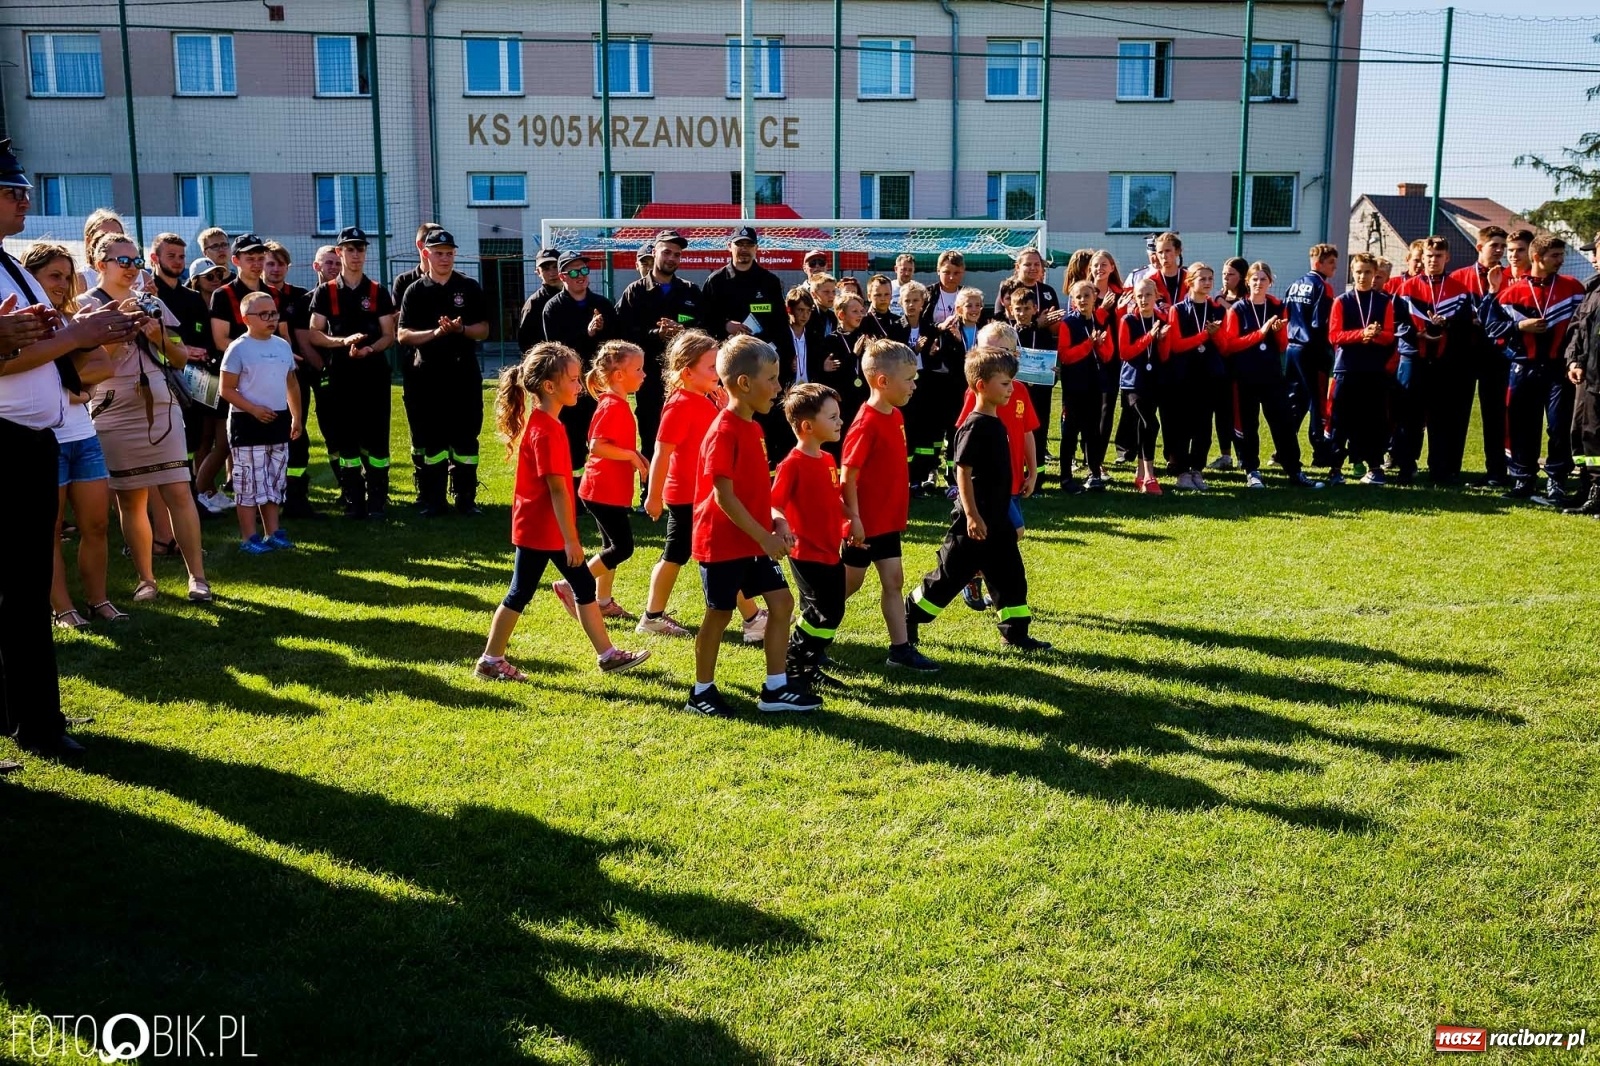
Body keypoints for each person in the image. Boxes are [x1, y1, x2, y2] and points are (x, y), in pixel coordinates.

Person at [0, 138, 140, 760]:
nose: (25, 200)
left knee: (25, 593)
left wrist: (88, 337)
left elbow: (45, 345)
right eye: (13, 191)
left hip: (33, 443)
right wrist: (77, 334)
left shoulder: (10, 266)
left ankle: (36, 722)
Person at [474, 342, 650, 681]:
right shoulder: (545, 431)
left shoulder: (550, 425)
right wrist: (571, 540)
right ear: (549, 386)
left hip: (543, 526)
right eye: (572, 379)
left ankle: (607, 654)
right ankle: (491, 660)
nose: (579, 384)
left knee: (582, 586)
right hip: (543, 528)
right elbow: (556, 490)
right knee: (521, 592)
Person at [684, 335, 820, 718]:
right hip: (723, 542)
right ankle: (701, 692)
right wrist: (763, 536)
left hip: (754, 541)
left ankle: (775, 687)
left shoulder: (754, 429)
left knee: (782, 602)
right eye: (773, 379)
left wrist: (776, 521)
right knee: (719, 614)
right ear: (744, 384)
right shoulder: (724, 430)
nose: (779, 388)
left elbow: (757, 492)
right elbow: (724, 496)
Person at [81, 231, 214, 602]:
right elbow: (84, 364)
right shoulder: (87, 305)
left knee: (178, 491)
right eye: (123, 261)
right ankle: (146, 579)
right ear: (99, 265)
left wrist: (157, 336)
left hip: (160, 403)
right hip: (113, 408)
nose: (131, 269)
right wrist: (116, 330)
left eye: (136, 261)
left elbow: (180, 358)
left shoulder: (150, 301)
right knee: (131, 499)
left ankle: (197, 577)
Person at [904, 347, 1051, 653]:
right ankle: (908, 616)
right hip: (972, 526)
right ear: (982, 386)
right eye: (1005, 383)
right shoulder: (974, 425)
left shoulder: (996, 421)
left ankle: (1015, 633)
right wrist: (971, 515)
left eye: (1012, 382)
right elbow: (962, 472)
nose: (1011, 389)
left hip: (998, 522)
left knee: (1011, 578)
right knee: (945, 580)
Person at [638, 329, 759, 640]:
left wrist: (721, 408)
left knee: (712, 553)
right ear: (687, 372)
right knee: (687, 555)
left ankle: (752, 616)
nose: (717, 372)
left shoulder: (703, 400)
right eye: (711, 366)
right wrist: (653, 496)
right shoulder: (679, 404)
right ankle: (653, 616)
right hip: (686, 497)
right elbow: (662, 451)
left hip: (705, 495)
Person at [25, 244, 119, 629]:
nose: (63, 285)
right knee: (49, 529)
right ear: (31, 277)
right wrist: (72, 384)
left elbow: (103, 364)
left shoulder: (69, 324)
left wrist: (71, 386)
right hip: (44, 440)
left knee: (97, 524)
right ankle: (62, 608)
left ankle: (99, 600)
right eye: (54, 276)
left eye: (67, 276)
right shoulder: (22, 325)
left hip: (84, 436)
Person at [840, 339, 936, 672]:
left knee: (893, 581)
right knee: (848, 584)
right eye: (909, 379)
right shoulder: (865, 422)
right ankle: (809, 632)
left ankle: (900, 649)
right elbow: (846, 477)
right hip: (864, 523)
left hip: (887, 522)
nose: (914, 385)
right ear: (883, 381)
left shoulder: (895, 415)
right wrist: (853, 519)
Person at [1480, 233, 1586, 502]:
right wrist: (1519, 326)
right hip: (1523, 367)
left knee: (1559, 426)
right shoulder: (1511, 292)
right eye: (1555, 256)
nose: (1560, 261)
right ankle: (1523, 480)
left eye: (1561, 255)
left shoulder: (1573, 288)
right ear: (1537, 257)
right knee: (1521, 426)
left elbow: (1581, 329)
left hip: (1557, 369)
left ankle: (1557, 480)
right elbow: (1492, 329)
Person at [397, 229, 491, 515]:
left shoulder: (469, 286)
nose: (444, 258)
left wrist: (461, 329)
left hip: (463, 374)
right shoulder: (415, 290)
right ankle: (434, 500)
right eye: (438, 253)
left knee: (465, 438)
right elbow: (402, 334)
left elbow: (484, 330)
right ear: (426, 254)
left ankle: (466, 498)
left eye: (449, 253)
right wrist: (435, 333)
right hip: (428, 376)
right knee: (433, 440)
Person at [306, 226, 397, 519]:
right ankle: (353, 500)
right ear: (339, 252)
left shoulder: (377, 291)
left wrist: (372, 349)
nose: (355, 255)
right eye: (349, 249)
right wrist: (342, 342)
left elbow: (388, 334)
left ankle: (378, 501)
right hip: (341, 374)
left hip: (373, 374)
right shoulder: (326, 291)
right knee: (346, 440)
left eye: (360, 249)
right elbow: (314, 333)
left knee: (376, 439)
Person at [560, 340, 648, 620]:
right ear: (619, 375)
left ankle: (603, 601)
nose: (644, 374)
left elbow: (614, 443)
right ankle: (571, 584)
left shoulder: (618, 403)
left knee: (610, 548)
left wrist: (635, 455)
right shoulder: (611, 405)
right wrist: (632, 457)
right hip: (601, 490)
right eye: (639, 369)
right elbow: (596, 445)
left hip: (608, 490)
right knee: (622, 548)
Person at [772, 383, 850, 693]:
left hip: (832, 549)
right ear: (807, 426)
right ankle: (795, 655)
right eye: (832, 417)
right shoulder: (792, 464)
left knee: (830, 610)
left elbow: (833, 499)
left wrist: (852, 519)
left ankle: (810, 660)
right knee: (826, 611)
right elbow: (774, 503)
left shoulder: (828, 460)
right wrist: (781, 525)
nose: (839, 422)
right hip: (806, 552)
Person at [1223, 261, 1320, 490]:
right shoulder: (1238, 309)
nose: (1258, 283)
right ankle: (1251, 470)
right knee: (1248, 424)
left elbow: (1283, 345)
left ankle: (1294, 471)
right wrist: (1261, 333)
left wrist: (1275, 334)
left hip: (1272, 375)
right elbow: (1229, 345)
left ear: (1270, 282)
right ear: (1247, 282)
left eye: (1263, 279)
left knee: (1283, 422)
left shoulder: (1277, 306)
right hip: (1245, 375)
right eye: (1254, 279)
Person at [219, 290, 303, 552]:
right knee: (248, 483)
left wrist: (296, 417)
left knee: (274, 481)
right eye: (263, 314)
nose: (271, 318)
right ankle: (249, 538)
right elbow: (226, 389)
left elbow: (291, 382)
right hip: (247, 424)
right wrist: (253, 409)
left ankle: (273, 532)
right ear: (246, 318)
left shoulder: (282, 346)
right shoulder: (238, 348)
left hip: (278, 422)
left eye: (273, 313)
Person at [616, 229, 703, 463]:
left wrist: (683, 332)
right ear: (654, 253)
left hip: (685, 378)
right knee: (651, 435)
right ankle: (649, 494)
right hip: (648, 378)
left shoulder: (691, 291)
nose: (672, 258)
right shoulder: (634, 292)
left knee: (686, 438)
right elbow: (624, 334)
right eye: (667, 252)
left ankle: (682, 494)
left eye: (677, 254)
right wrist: (657, 334)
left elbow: (704, 331)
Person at [1395, 235, 1474, 485]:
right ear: (1422, 257)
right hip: (1412, 359)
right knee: (1409, 416)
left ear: (1447, 258)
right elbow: (1396, 322)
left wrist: (1447, 324)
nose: (1433, 260)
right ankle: (1406, 468)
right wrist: (1415, 333)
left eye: (1438, 256)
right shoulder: (1406, 288)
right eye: (1429, 256)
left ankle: (1439, 470)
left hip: (1444, 363)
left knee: (1441, 418)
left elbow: (1465, 327)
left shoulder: (1460, 291)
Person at [542, 251, 620, 476]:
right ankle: (574, 495)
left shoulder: (602, 304)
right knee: (573, 441)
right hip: (570, 385)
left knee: (603, 438)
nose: (581, 276)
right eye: (574, 271)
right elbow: (556, 348)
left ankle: (600, 494)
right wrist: (586, 333)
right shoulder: (553, 308)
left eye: (584, 270)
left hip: (600, 384)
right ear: (562, 276)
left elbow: (615, 342)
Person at [147, 233, 215, 489]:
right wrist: (184, 349)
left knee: (195, 435)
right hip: (161, 376)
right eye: (171, 256)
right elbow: (151, 337)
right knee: (168, 435)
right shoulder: (148, 294)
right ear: (155, 258)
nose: (177, 262)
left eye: (181, 257)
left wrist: (200, 351)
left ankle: (193, 492)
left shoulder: (193, 297)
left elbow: (206, 336)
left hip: (196, 375)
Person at [1325, 252, 1399, 486]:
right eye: (1358, 272)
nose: (1363, 276)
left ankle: (1375, 468)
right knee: (1340, 420)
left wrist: (1375, 335)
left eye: (1367, 272)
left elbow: (1389, 337)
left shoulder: (1384, 301)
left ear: (1375, 274)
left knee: (1374, 420)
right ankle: (1335, 469)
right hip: (1347, 369)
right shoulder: (1342, 301)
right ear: (1352, 273)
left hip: (1374, 371)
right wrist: (1361, 334)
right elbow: (1334, 336)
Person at [264, 240, 324, 518]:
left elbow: (306, 336)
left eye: (281, 264)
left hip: (295, 378)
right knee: (265, 436)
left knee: (296, 433)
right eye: (270, 263)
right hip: (260, 380)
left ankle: (297, 496)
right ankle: (265, 498)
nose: (276, 269)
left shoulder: (300, 297)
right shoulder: (252, 296)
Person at [1449, 225, 1512, 487]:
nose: (1499, 251)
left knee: (1495, 413)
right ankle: (1450, 469)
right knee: (1457, 412)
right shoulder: (1458, 277)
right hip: (1464, 352)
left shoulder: (1509, 277)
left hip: (1495, 354)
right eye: (1494, 245)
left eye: (1502, 246)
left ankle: (1496, 471)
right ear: (1479, 247)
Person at [1162, 263, 1228, 490]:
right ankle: (1181, 471)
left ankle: (1197, 470)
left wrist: (1216, 336)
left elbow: (1224, 345)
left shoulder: (1218, 310)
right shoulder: (1178, 310)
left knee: (1203, 427)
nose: (1208, 282)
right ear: (1190, 282)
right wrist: (1204, 336)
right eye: (1202, 278)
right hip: (1183, 376)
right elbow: (1177, 346)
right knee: (1181, 425)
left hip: (1208, 376)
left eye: (1210, 278)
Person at [393, 221, 444, 499]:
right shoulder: (405, 282)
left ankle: (446, 485)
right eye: (432, 242)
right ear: (421, 247)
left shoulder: (454, 281)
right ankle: (424, 484)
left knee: (447, 430)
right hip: (416, 369)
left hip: (448, 368)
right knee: (421, 430)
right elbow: (400, 324)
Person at [186, 256, 236, 514]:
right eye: (210, 276)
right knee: (206, 436)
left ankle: (205, 489)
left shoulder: (223, 301)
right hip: (201, 378)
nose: (216, 280)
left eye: (220, 276)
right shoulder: (190, 305)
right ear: (196, 280)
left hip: (220, 374)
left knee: (221, 438)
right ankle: (202, 490)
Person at [1283, 243, 1340, 468]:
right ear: (1318, 263)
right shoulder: (1323, 288)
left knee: (1294, 400)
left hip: (1292, 348)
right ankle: (1320, 453)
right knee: (1317, 402)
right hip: (1312, 350)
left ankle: (1283, 448)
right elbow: (1321, 323)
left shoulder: (1294, 285)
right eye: (1331, 263)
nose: (1335, 268)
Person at [1057, 280, 1115, 493]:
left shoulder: (1100, 321)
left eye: (1087, 296)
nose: (1083, 300)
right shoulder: (1068, 323)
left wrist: (1099, 345)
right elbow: (1065, 356)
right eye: (1078, 297)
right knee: (1070, 431)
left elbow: (1108, 355)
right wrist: (1088, 344)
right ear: (1072, 300)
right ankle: (1065, 477)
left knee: (1092, 431)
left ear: (1095, 298)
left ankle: (1095, 474)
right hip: (1074, 386)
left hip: (1095, 384)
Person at [1118, 277, 1169, 494]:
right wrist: (1150, 337)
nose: (1144, 299)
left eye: (1148, 294)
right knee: (1151, 424)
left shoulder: (1163, 319)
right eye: (1139, 295)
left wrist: (1163, 339)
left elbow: (1165, 356)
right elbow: (1125, 352)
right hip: (1133, 382)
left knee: (1144, 427)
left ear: (1156, 296)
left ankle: (1140, 476)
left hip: (1155, 381)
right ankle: (1150, 475)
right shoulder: (1128, 320)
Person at [1563, 229, 1600, 514]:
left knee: (1596, 434)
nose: (1594, 259)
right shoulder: (1592, 288)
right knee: (1581, 432)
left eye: (1596, 252)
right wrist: (1573, 361)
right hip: (1585, 376)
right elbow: (1577, 329)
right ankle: (1587, 485)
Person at [702, 226, 787, 344]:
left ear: (756, 248)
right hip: (725, 353)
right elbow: (703, 320)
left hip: (760, 353)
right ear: (729, 246)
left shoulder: (770, 282)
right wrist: (725, 325)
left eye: (749, 244)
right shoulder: (715, 281)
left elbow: (781, 322)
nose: (744, 249)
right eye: (739, 244)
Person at [1207, 256, 1250, 472]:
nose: (1226, 277)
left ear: (1242, 277)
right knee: (1221, 411)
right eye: (1224, 273)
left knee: (1240, 411)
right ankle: (1225, 456)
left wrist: (1224, 304)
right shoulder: (1217, 299)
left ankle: (1244, 455)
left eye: (1231, 274)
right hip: (1219, 363)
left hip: (1240, 364)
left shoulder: (1247, 301)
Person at [1005, 286, 1054, 466]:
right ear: (1011, 309)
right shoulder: (1008, 334)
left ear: (1035, 309)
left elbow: (1052, 363)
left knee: (1039, 431)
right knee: (1014, 431)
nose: (1022, 313)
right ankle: (1014, 472)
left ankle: (1037, 478)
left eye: (1027, 308)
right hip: (1014, 392)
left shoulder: (1044, 334)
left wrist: (1054, 373)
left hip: (1040, 392)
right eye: (1018, 308)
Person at [814, 290, 869, 439]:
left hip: (864, 398)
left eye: (861, 311)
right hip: (843, 401)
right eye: (855, 311)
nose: (860, 315)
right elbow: (835, 374)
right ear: (841, 315)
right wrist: (853, 355)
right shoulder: (830, 341)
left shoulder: (865, 338)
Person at [515, 248, 563, 351]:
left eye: (555, 267)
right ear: (538, 272)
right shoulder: (534, 303)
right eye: (546, 269)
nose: (552, 273)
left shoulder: (575, 296)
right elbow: (525, 342)